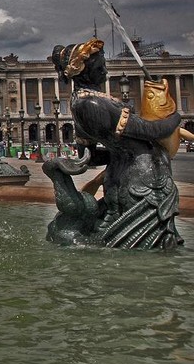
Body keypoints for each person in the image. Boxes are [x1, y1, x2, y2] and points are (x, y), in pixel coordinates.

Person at [45, 37, 183, 248]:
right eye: (100, 68)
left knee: (123, 240)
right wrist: (175, 116)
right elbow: (152, 131)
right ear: (84, 70)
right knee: (147, 245)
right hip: (143, 179)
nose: (105, 73)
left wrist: (118, 152)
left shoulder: (78, 103)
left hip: (119, 177)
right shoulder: (93, 103)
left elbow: (89, 156)